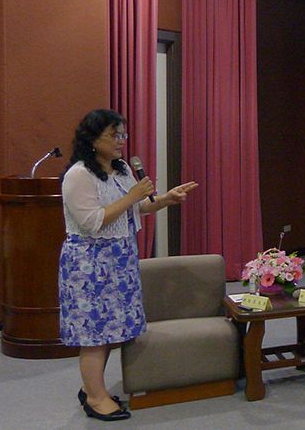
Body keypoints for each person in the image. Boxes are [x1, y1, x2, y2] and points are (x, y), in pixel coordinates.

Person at [59, 109, 197, 421]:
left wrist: (165, 199)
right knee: (94, 334)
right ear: (93, 140)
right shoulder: (79, 175)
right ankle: (95, 397)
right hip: (89, 263)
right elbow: (92, 221)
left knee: (111, 330)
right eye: (114, 135)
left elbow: (134, 209)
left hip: (119, 258)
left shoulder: (121, 169)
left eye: (123, 134)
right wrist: (133, 195)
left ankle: (92, 388)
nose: (121, 141)